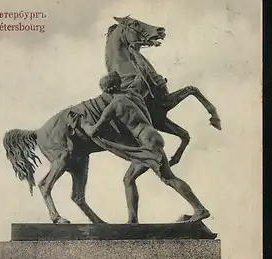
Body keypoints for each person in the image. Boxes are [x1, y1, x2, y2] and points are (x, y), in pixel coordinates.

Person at [81, 71, 210, 222]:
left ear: (107, 90)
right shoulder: (132, 95)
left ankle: (200, 209)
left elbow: (95, 131)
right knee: (129, 179)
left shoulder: (114, 105)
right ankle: (133, 220)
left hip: (147, 141)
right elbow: (140, 77)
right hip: (151, 137)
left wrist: (84, 124)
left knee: (168, 178)